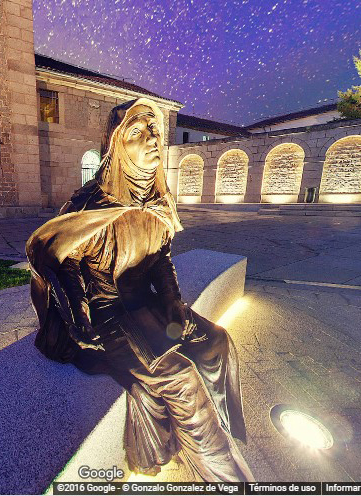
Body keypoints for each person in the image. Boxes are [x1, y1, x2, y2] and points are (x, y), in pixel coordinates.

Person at [26, 98, 253, 482]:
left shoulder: (159, 200)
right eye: (137, 132)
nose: (152, 139)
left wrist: (172, 300)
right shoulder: (87, 205)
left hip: (147, 301)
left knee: (216, 342)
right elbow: (63, 267)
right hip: (107, 312)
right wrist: (80, 317)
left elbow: (161, 259)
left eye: (155, 131)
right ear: (117, 143)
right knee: (179, 376)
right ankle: (222, 474)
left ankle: (216, 432)